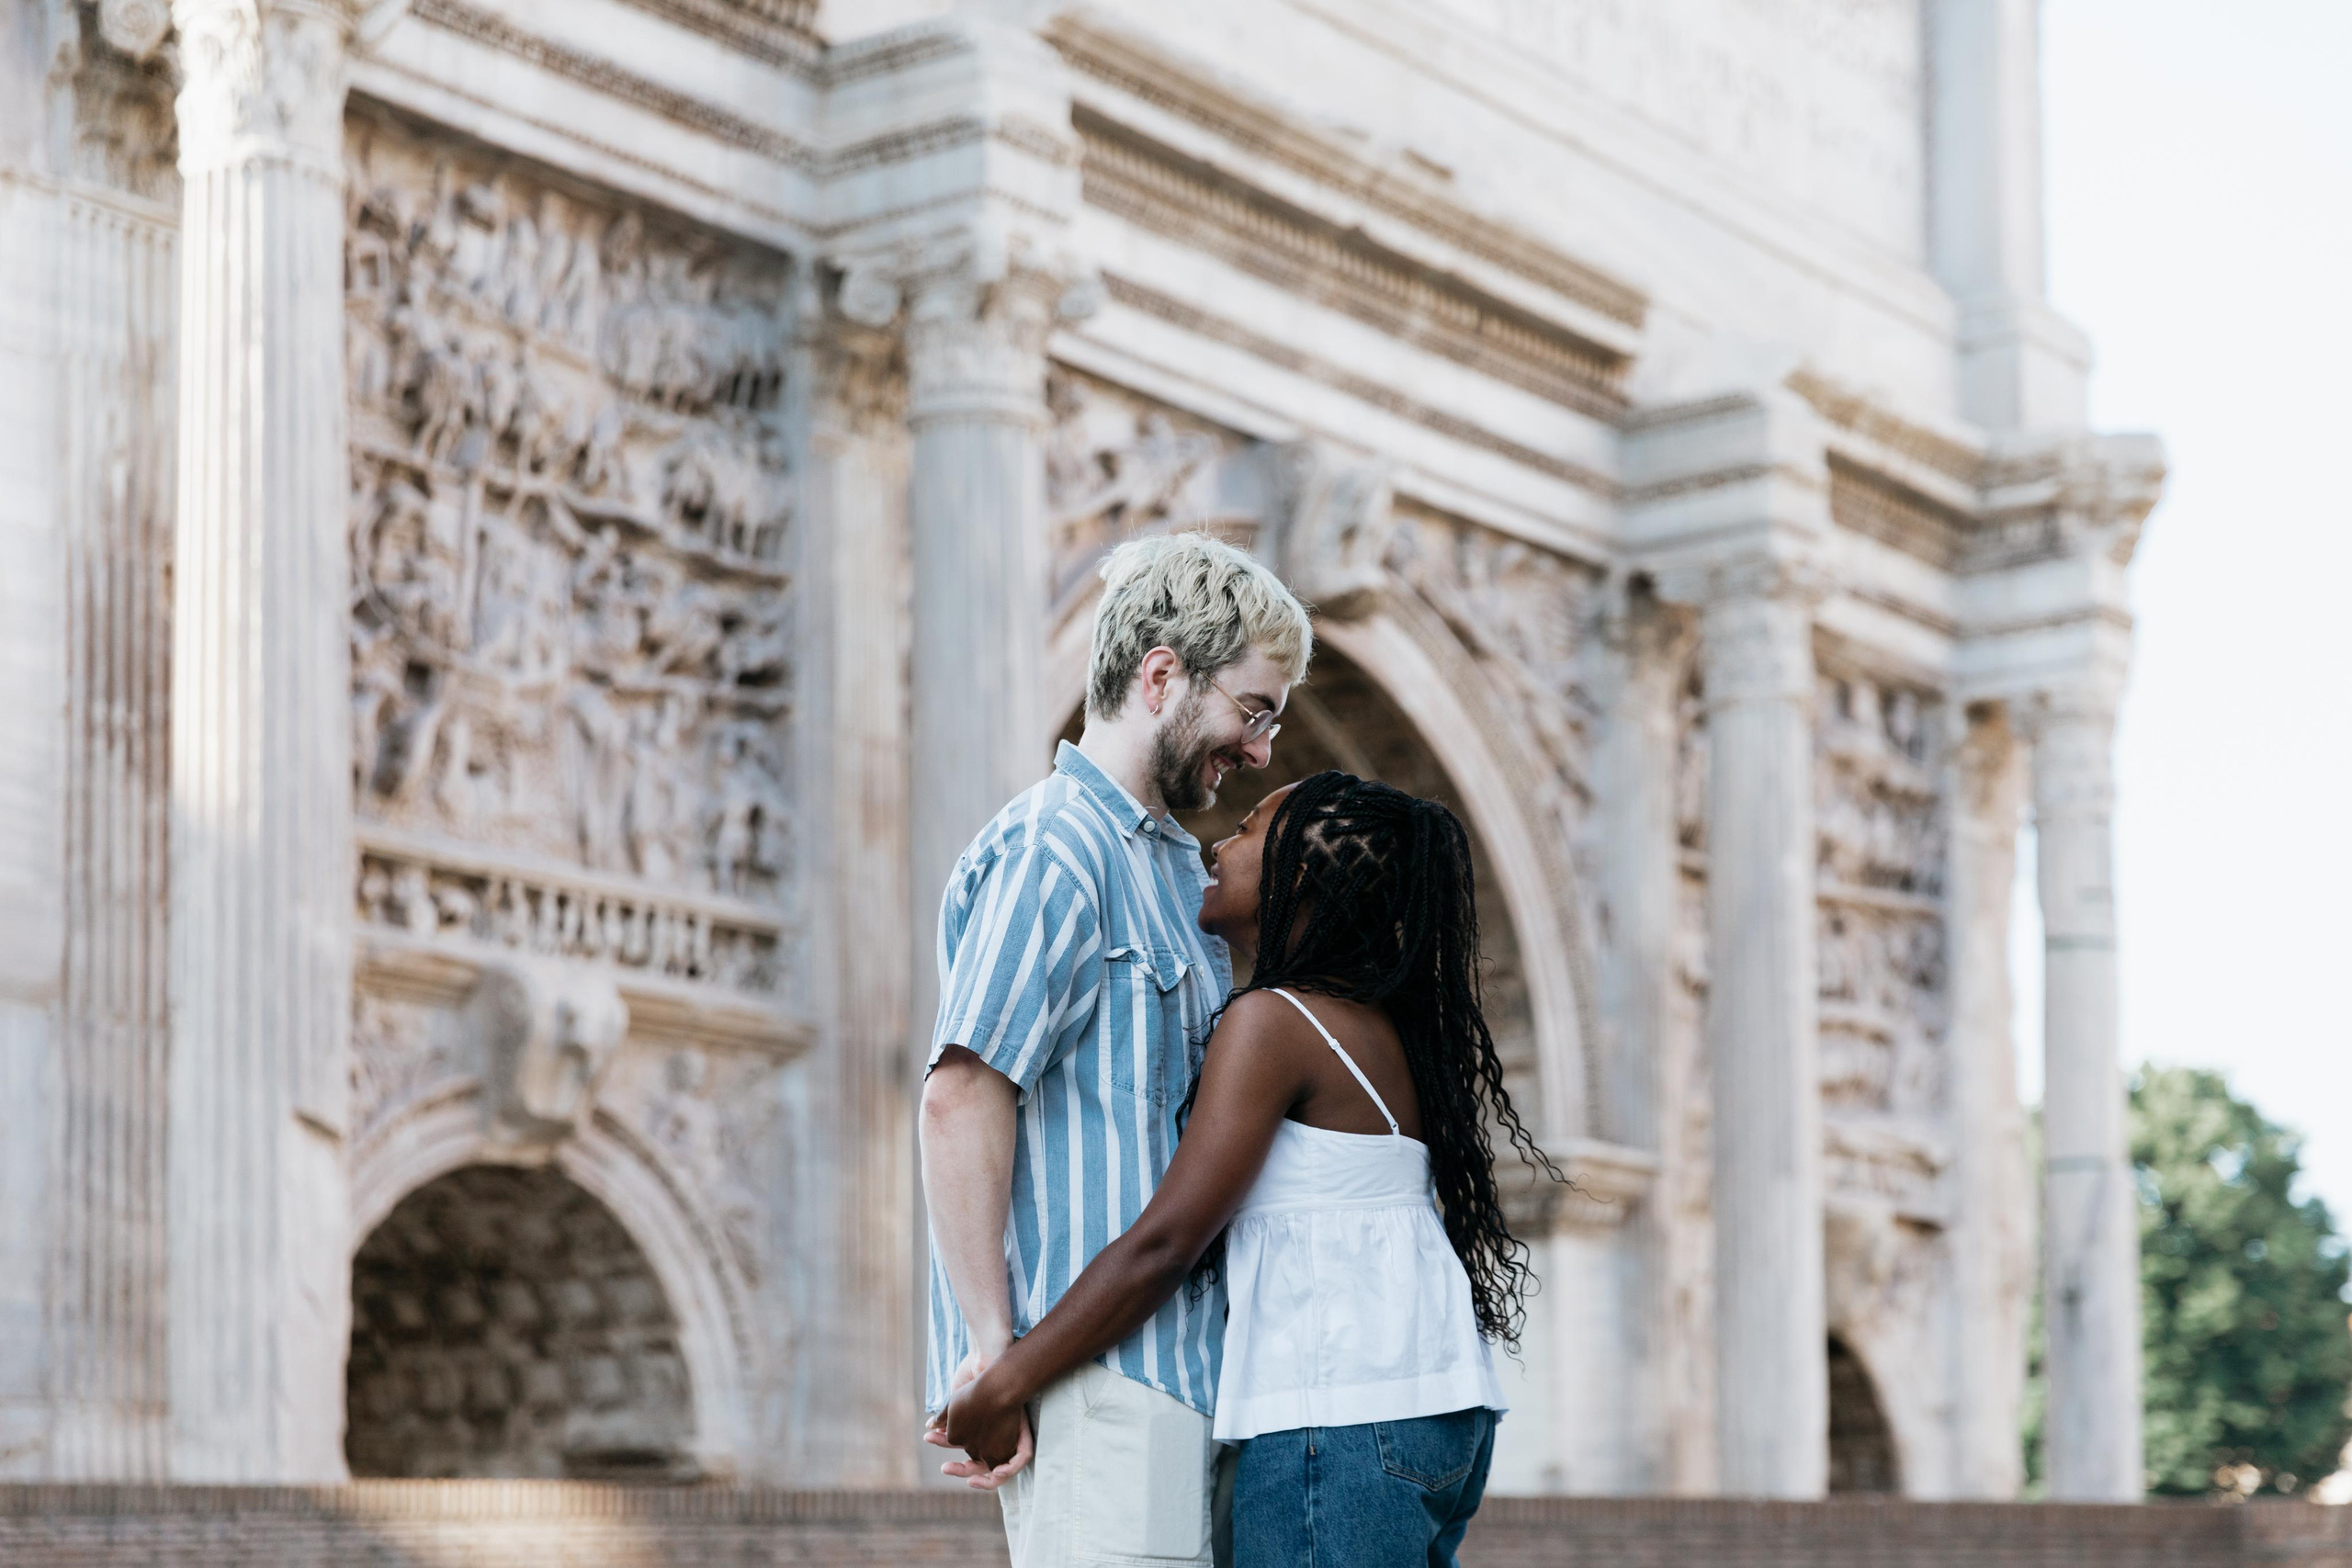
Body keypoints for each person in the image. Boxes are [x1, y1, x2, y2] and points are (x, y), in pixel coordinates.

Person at [942, 771, 1560, 1568]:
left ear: (1296, 876)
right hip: (1437, 1422)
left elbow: (1168, 1243)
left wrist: (1005, 1381)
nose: (1217, 843)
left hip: (1337, 1424)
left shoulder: (1273, 1023)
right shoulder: (1377, 1027)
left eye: (1247, 829)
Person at [918, 532, 1314, 1567]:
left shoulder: (1174, 877)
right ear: (1159, 675)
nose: (1263, 748)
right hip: (1093, 1391)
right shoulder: (1056, 846)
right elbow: (962, 1093)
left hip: (1181, 1378)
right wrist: (994, 1360)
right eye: (1253, 709)